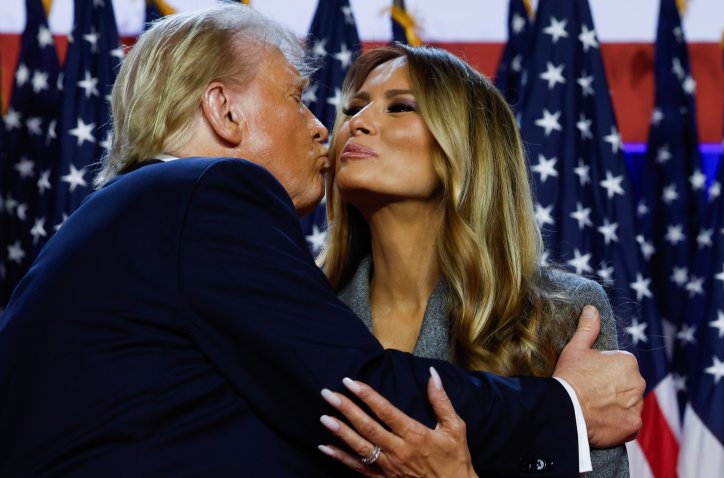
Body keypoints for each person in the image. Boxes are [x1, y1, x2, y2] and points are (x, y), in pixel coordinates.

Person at [0, 5, 644, 477]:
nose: (330, 127)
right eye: (305, 100)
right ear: (225, 113)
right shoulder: (208, 195)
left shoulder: (560, 312)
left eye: (400, 106)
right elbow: (364, 390)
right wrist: (564, 406)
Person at [314, 45, 630, 477]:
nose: (356, 123)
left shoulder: (561, 313)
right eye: (354, 107)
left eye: (400, 107)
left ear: (466, 146)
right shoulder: (305, 306)